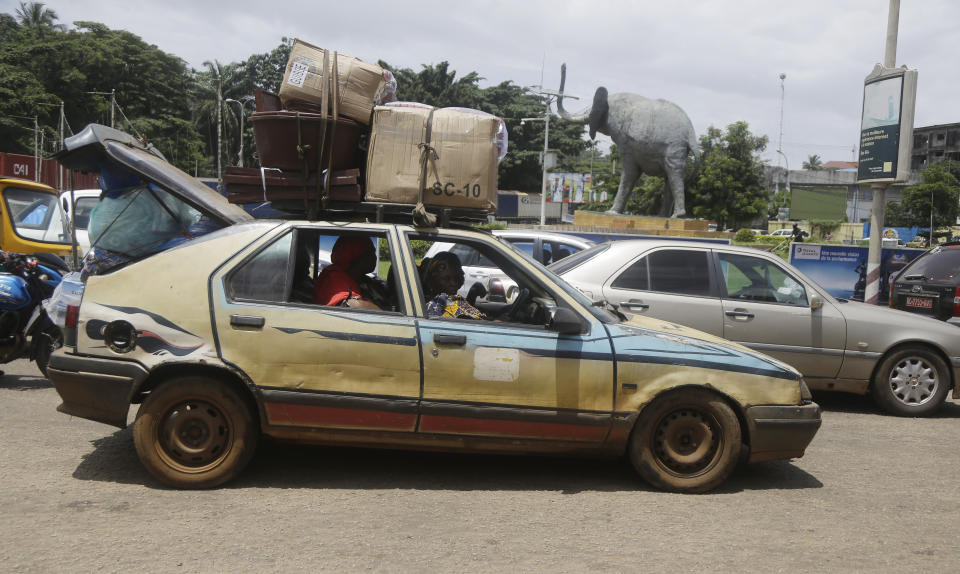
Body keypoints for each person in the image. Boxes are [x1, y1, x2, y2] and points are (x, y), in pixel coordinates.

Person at [312, 236, 380, 309]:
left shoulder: (355, 277)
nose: (375, 257)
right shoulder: (334, 278)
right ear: (357, 257)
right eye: (371, 252)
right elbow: (351, 305)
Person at [420, 251, 487, 320]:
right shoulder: (434, 304)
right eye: (446, 279)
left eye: (456, 278)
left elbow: (461, 309)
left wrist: (473, 293)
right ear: (434, 278)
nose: (453, 283)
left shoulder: (448, 299)